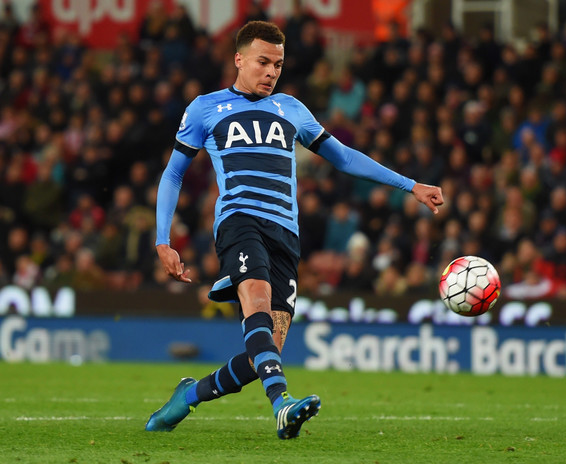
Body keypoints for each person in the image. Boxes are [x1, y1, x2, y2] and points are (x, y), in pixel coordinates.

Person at [145, 21, 444, 440]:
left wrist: (410, 185)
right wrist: (163, 239)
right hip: (239, 220)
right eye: (263, 62)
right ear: (239, 59)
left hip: (285, 233)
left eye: (278, 65)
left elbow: (343, 157)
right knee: (258, 299)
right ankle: (282, 405)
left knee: (264, 353)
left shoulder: (292, 109)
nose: (271, 72)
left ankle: (188, 396)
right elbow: (173, 174)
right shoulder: (205, 108)